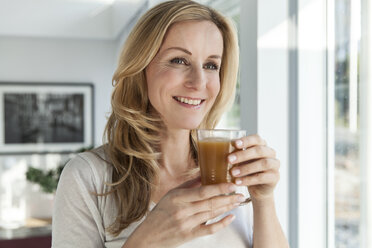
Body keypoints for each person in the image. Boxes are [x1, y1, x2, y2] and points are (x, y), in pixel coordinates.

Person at [52, 0, 289, 247]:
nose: (199, 82)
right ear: (141, 67)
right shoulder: (87, 177)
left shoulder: (233, 171)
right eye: (179, 60)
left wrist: (264, 200)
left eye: (210, 65)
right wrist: (145, 240)